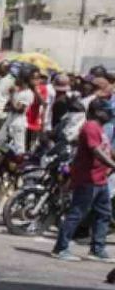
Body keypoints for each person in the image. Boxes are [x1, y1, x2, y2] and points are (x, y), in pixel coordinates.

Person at [51, 98, 114, 263]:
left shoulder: (100, 128)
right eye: (106, 110)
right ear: (96, 111)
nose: (109, 113)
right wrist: (112, 164)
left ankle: (97, 249)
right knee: (77, 213)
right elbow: (96, 151)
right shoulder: (90, 127)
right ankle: (60, 248)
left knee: (103, 214)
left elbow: (107, 150)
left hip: (100, 179)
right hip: (88, 179)